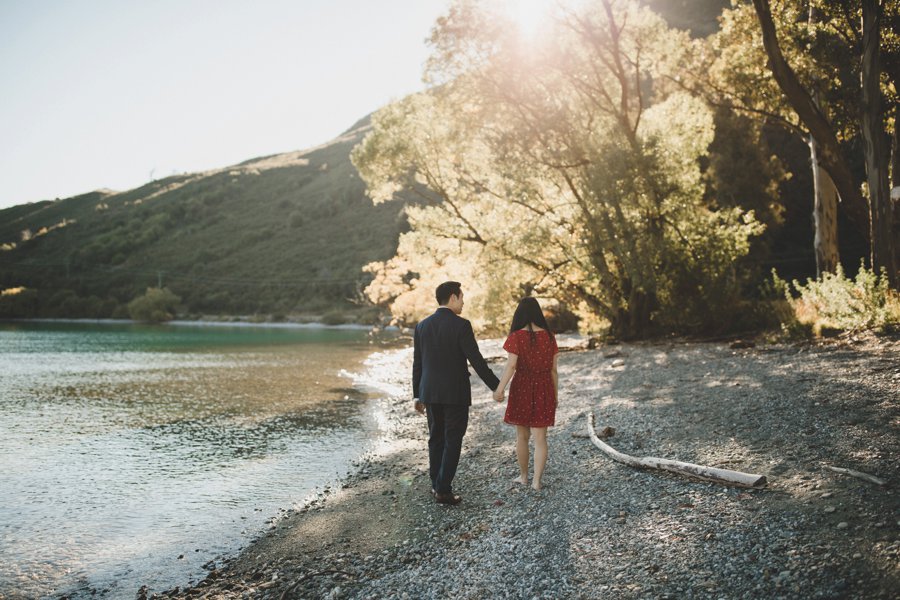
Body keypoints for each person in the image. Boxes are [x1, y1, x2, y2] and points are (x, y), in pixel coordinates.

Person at [413, 281, 500, 505]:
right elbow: (477, 361)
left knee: (436, 438)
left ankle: (436, 484)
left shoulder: (422, 326)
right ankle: (442, 489)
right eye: (461, 298)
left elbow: (418, 364)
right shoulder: (461, 325)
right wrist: (496, 386)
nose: (463, 302)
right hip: (455, 393)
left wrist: (417, 394)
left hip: (429, 391)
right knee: (453, 439)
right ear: (452, 298)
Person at [493, 297, 559, 491]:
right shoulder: (550, 336)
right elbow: (554, 370)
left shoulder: (516, 336)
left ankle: (523, 477)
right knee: (541, 439)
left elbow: (511, 365)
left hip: (521, 387)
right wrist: (555, 395)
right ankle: (537, 482)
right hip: (544, 387)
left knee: (522, 437)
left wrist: (500, 389)